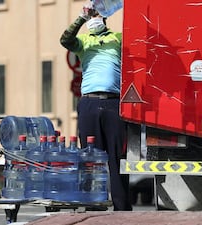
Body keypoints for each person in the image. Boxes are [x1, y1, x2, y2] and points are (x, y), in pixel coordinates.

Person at [60, 2, 132, 211]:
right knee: (90, 158)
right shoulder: (83, 42)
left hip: (113, 103)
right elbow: (65, 40)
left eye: (95, 15)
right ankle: (93, 205)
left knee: (117, 158)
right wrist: (81, 18)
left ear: (104, 17)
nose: (93, 18)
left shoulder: (117, 39)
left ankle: (122, 208)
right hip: (89, 103)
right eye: (90, 16)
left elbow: (134, 42)